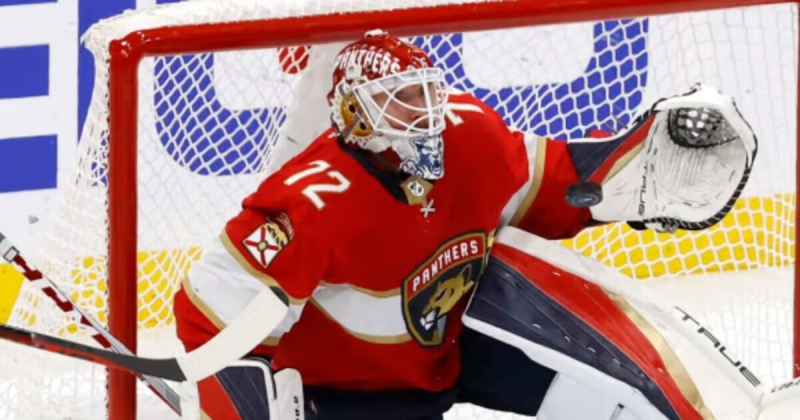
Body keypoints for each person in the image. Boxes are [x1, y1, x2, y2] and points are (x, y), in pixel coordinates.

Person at [173, 30, 769, 419]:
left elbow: (550, 186)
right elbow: (210, 313)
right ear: (356, 113)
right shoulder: (311, 201)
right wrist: (239, 401)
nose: (427, 114)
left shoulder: (468, 134)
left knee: (620, 401)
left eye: (426, 94)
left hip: (461, 345)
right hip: (353, 395)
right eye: (402, 100)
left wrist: (625, 180)